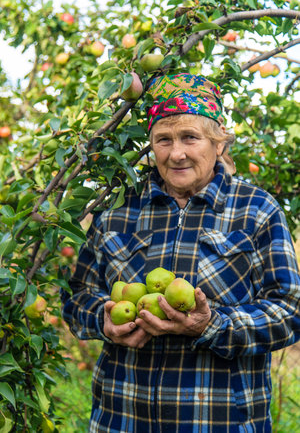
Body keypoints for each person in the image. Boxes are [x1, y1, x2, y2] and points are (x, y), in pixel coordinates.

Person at [61, 73, 300, 433]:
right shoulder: (118, 211)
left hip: (218, 422)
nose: (176, 153)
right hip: (122, 419)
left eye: (190, 137)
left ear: (218, 143)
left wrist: (213, 325)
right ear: (151, 145)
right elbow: (77, 296)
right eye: (163, 140)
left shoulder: (256, 210)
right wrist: (104, 321)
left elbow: (290, 311)